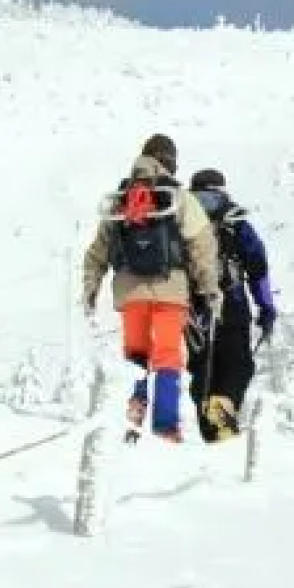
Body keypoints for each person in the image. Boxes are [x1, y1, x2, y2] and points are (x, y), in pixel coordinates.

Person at [81, 134, 222, 442]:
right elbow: (202, 245)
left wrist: (91, 287)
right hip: (171, 290)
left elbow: (98, 250)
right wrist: (208, 289)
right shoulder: (178, 197)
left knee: (136, 356)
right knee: (168, 355)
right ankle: (165, 427)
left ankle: (133, 423)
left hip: (130, 292)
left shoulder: (122, 198)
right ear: (170, 161)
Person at [184, 167, 277, 442]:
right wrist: (266, 307)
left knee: (202, 367)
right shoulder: (233, 219)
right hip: (231, 302)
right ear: (221, 189)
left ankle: (209, 431)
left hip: (193, 307)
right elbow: (257, 264)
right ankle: (221, 417)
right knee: (238, 364)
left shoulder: (181, 219)